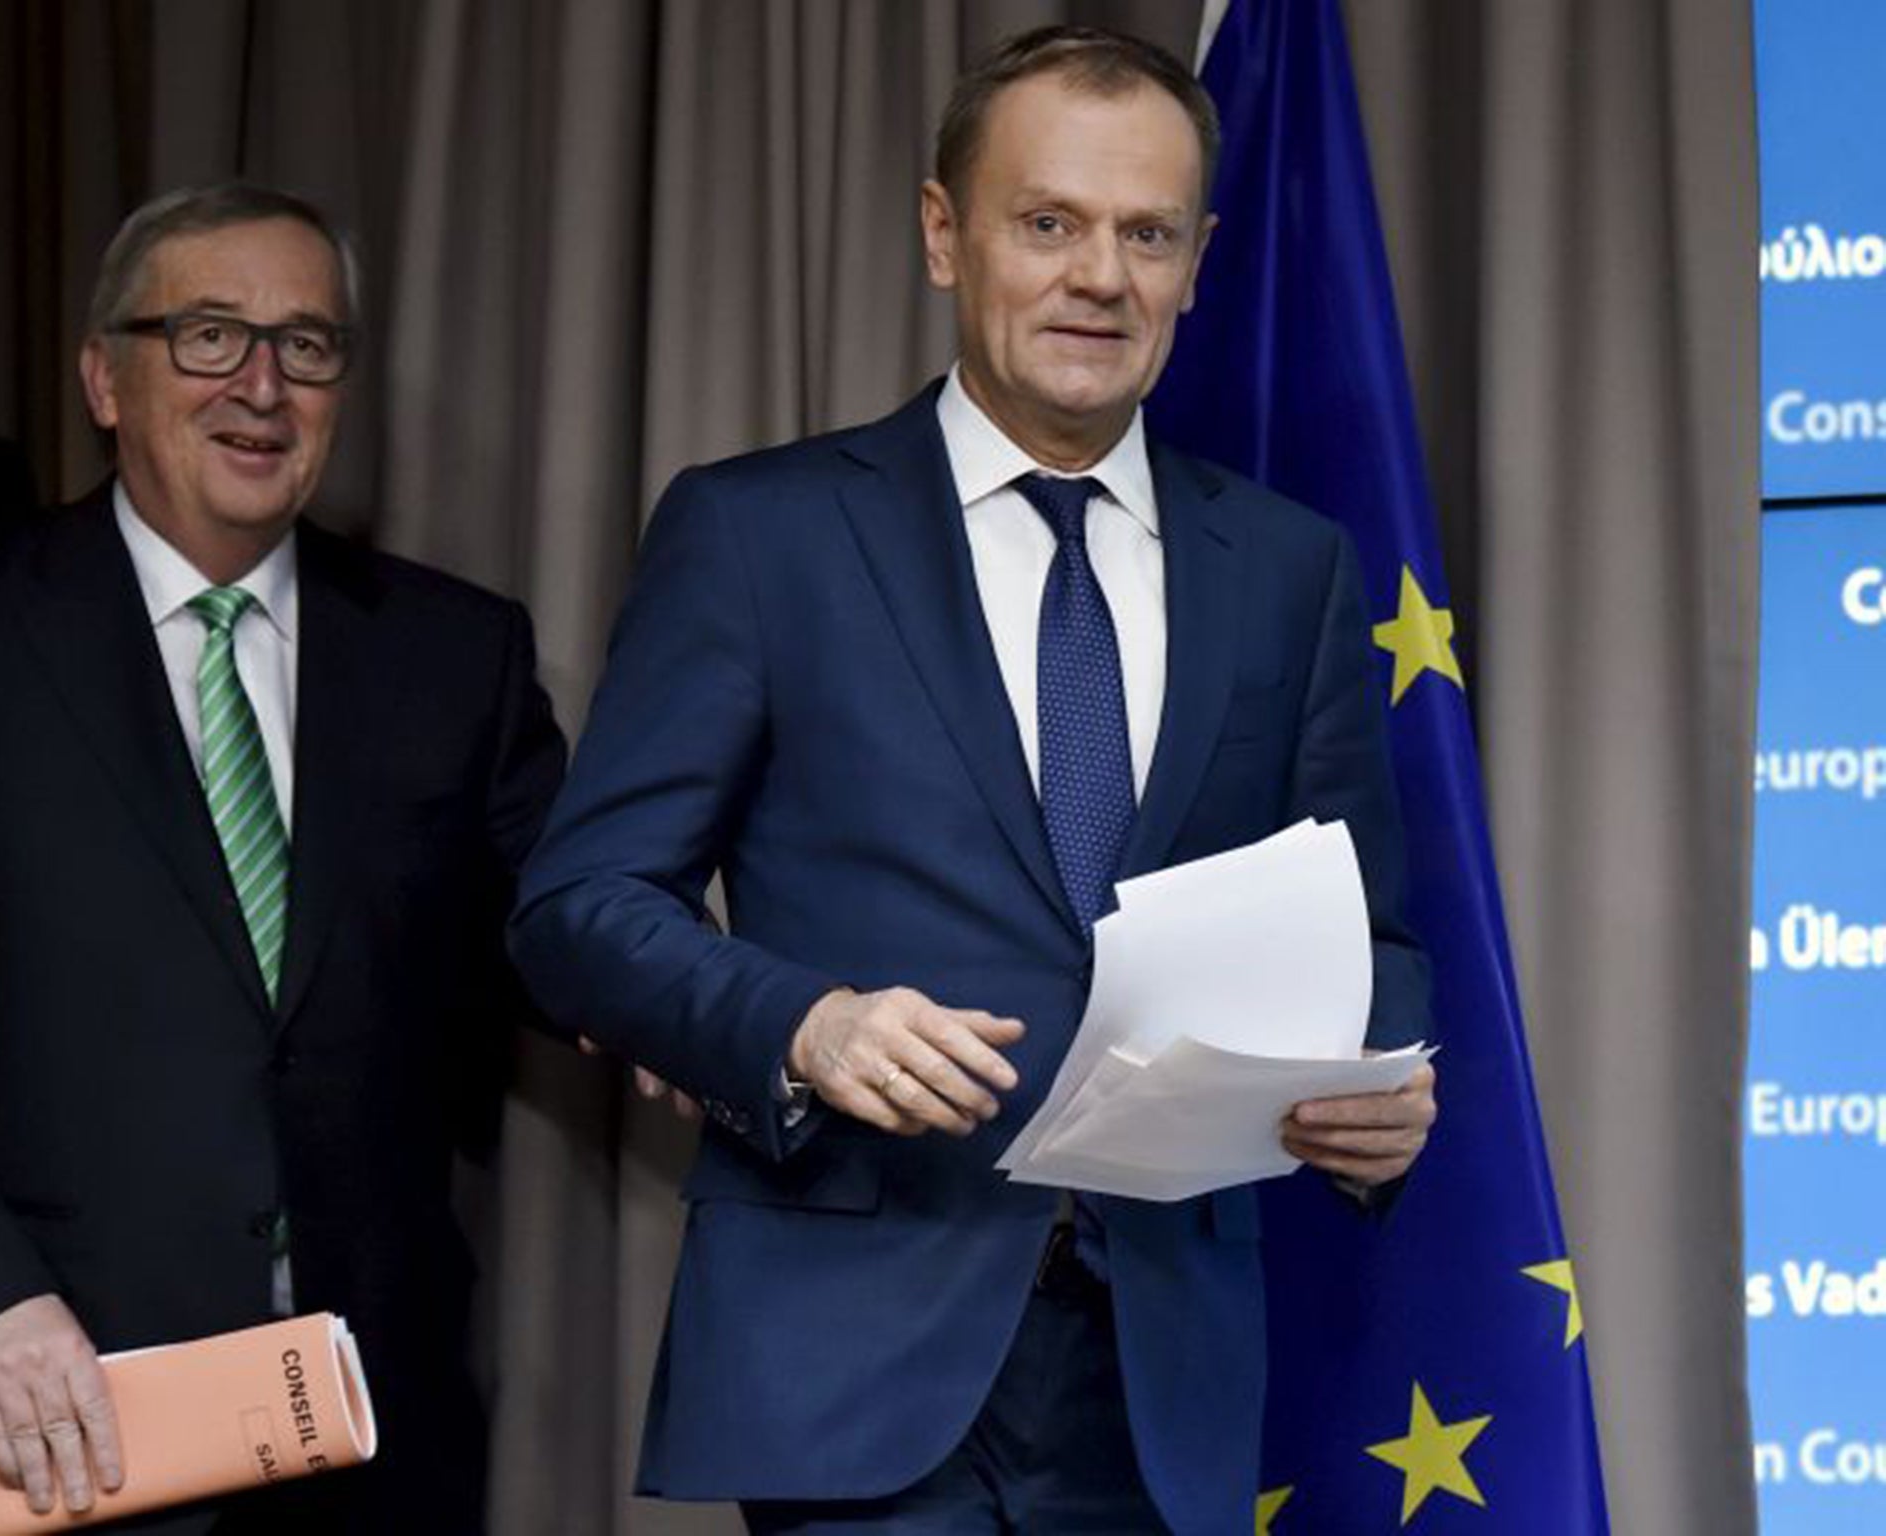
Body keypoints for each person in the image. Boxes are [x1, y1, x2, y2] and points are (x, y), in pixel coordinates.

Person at [515, 25, 1441, 1534]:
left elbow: (1373, 939)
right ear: (946, 234)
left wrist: (1388, 1088)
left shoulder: (1289, 571)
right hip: (855, 1368)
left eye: (1146, 235)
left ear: (1199, 264)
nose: (1101, 277)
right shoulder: (764, 535)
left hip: (1162, 1385)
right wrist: (803, 1026)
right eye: (1050, 222)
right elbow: (578, 906)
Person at [0, 183, 565, 1535]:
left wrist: (740, 1019)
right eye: (211, 336)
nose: (263, 385)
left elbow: (573, 927)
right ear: (103, 378)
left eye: (307, 346)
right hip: (63, 1413)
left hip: (370, 1429)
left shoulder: (452, 654)